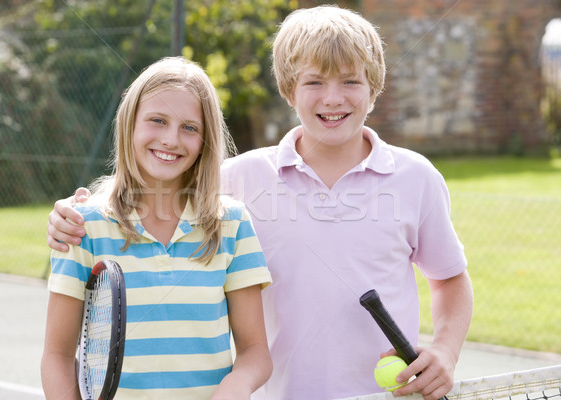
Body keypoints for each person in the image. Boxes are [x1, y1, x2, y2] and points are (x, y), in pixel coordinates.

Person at [46, 5, 473, 400]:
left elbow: (450, 279)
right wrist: (76, 211)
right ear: (289, 90)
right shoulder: (239, 180)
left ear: (373, 87)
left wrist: (446, 352)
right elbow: (161, 188)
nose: (333, 98)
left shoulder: (416, 178)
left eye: (350, 81)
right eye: (314, 82)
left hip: (389, 394)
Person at [41, 57, 273, 400]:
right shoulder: (82, 227)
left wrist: (235, 387)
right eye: (157, 121)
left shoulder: (233, 224)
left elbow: (256, 353)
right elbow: (58, 356)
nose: (171, 139)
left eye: (189, 128)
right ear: (130, 125)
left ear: (205, 140)